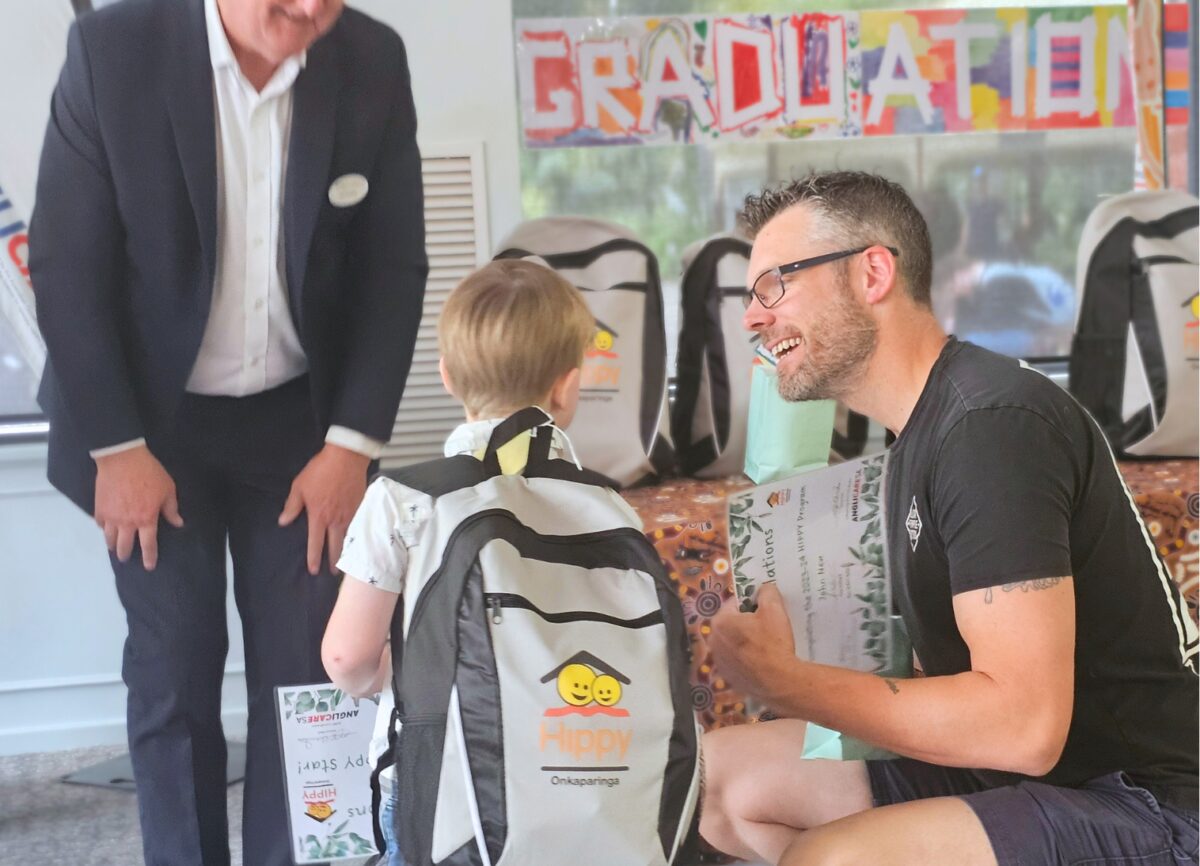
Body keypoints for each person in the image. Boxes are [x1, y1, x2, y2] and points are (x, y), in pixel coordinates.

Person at [700, 171, 1199, 866]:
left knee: (832, 858)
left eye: (774, 285)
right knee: (720, 782)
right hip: (1024, 776)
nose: (754, 317)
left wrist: (788, 682)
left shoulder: (989, 426)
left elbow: (1025, 728)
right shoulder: (916, 436)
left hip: (1144, 800)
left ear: (872, 272)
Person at [28, 0, 427, 863]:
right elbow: (65, 263)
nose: (312, 10)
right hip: (149, 427)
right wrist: (117, 449)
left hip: (303, 425)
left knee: (315, 676)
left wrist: (351, 446)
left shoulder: (370, 59)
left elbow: (393, 268)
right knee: (174, 668)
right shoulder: (113, 52)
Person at [320, 259, 600, 865]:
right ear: (566, 386)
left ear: (447, 376)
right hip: (577, 774)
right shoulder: (603, 505)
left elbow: (347, 658)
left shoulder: (402, 501)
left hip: (437, 781)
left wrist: (417, 666)